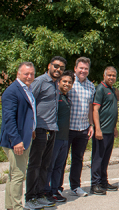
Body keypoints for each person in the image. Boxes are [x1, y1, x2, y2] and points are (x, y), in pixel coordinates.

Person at [26, 56, 66, 208]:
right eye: (56, 66)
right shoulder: (40, 81)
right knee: (35, 164)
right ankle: (30, 198)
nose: (58, 69)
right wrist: (31, 127)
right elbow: (29, 102)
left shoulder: (56, 84)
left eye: (61, 68)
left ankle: (39, 194)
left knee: (45, 165)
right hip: (40, 129)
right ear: (49, 65)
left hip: (52, 129)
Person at [0, 62, 37, 210]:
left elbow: (27, 113)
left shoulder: (27, 89)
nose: (29, 76)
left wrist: (31, 129)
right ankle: (16, 207)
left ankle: (10, 206)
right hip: (15, 140)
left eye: (32, 74)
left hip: (25, 137)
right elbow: (9, 119)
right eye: (26, 73)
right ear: (18, 74)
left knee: (13, 174)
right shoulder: (12, 91)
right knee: (18, 175)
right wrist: (16, 141)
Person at [62, 57, 96, 197]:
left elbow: (90, 107)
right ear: (75, 68)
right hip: (67, 128)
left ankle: (75, 186)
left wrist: (91, 124)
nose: (83, 71)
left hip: (82, 128)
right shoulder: (69, 82)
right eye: (81, 68)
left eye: (86, 68)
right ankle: (57, 187)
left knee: (78, 159)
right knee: (61, 159)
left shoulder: (90, 86)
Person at [44, 70, 74, 202]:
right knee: (49, 166)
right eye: (64, 81)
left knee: (59, 166)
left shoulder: (66, 97)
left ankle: (55, 190)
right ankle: (46, 191)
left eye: (69, 82)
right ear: (59, 82)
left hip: (64, 138)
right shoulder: (55, 96)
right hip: (54, 138)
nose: (67, 84)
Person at [90, 67, 119, 195]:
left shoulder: (112, 90)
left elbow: (111, 110)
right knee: (98, 158)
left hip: (110, 130)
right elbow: (95, 109)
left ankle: (103, 182)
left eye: (114, 76)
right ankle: (95, 184)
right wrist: (97, 129)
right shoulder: (100, 88)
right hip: (101, 131)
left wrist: (114, 128)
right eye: (109, 75)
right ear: (104, 75)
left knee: (106, 158)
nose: (111, 78)